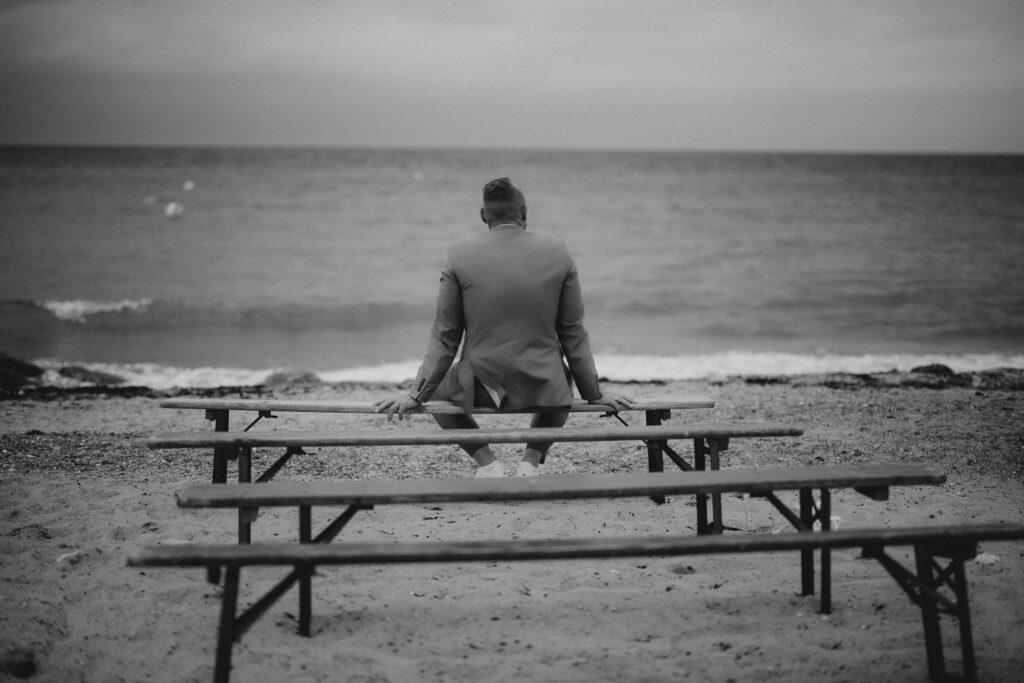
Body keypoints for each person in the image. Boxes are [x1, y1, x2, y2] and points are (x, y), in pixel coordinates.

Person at [374, 177, 633, 477]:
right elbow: (573, 333)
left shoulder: (459, 255)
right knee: (563, 378)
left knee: (437, 391)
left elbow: (446, 335)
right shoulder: (558, 253)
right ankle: (529, 463)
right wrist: (594, 393)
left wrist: (416, 394)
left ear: (483, 215)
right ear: (524, 213)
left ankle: (489, 464)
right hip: (542, 387)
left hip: (483, 388)